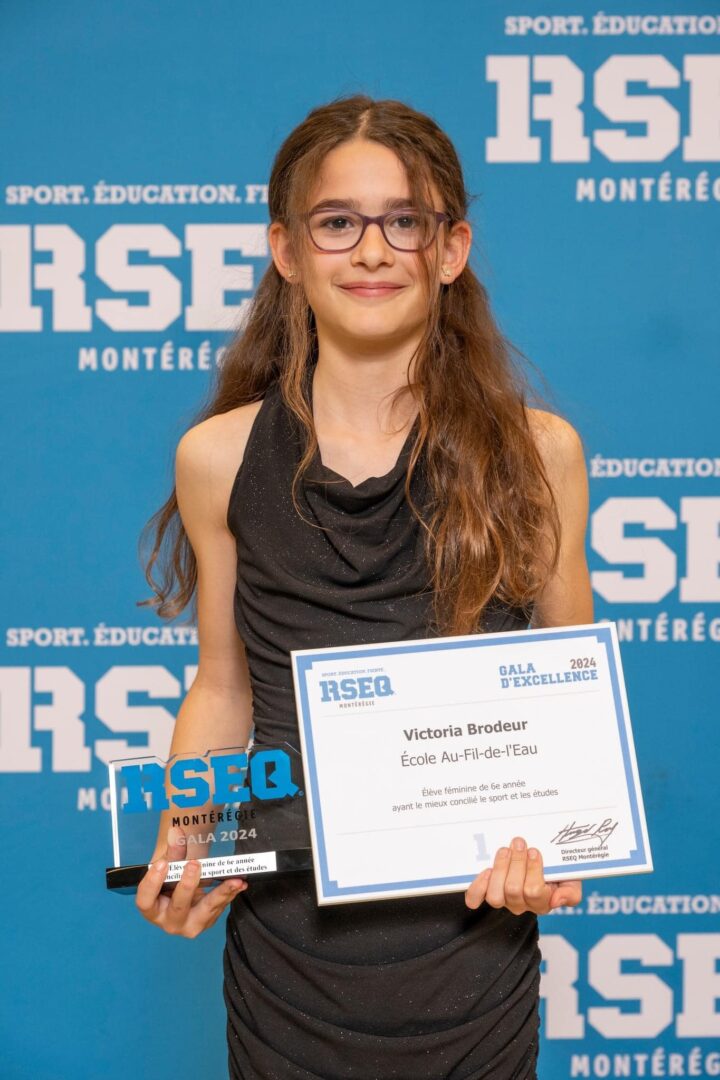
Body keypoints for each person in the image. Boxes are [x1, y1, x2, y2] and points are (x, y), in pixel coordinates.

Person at [136, 95, 590, 1080]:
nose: (372, 251)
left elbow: (571, 700)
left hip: (472, 950)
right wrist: (184, 836)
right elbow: (223, 686)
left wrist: (554, 849)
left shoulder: (537, 453)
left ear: (452, 247)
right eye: (338, 222)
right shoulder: (216, 458)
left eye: (404, 222)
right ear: (288, 252)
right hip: (287, 951)